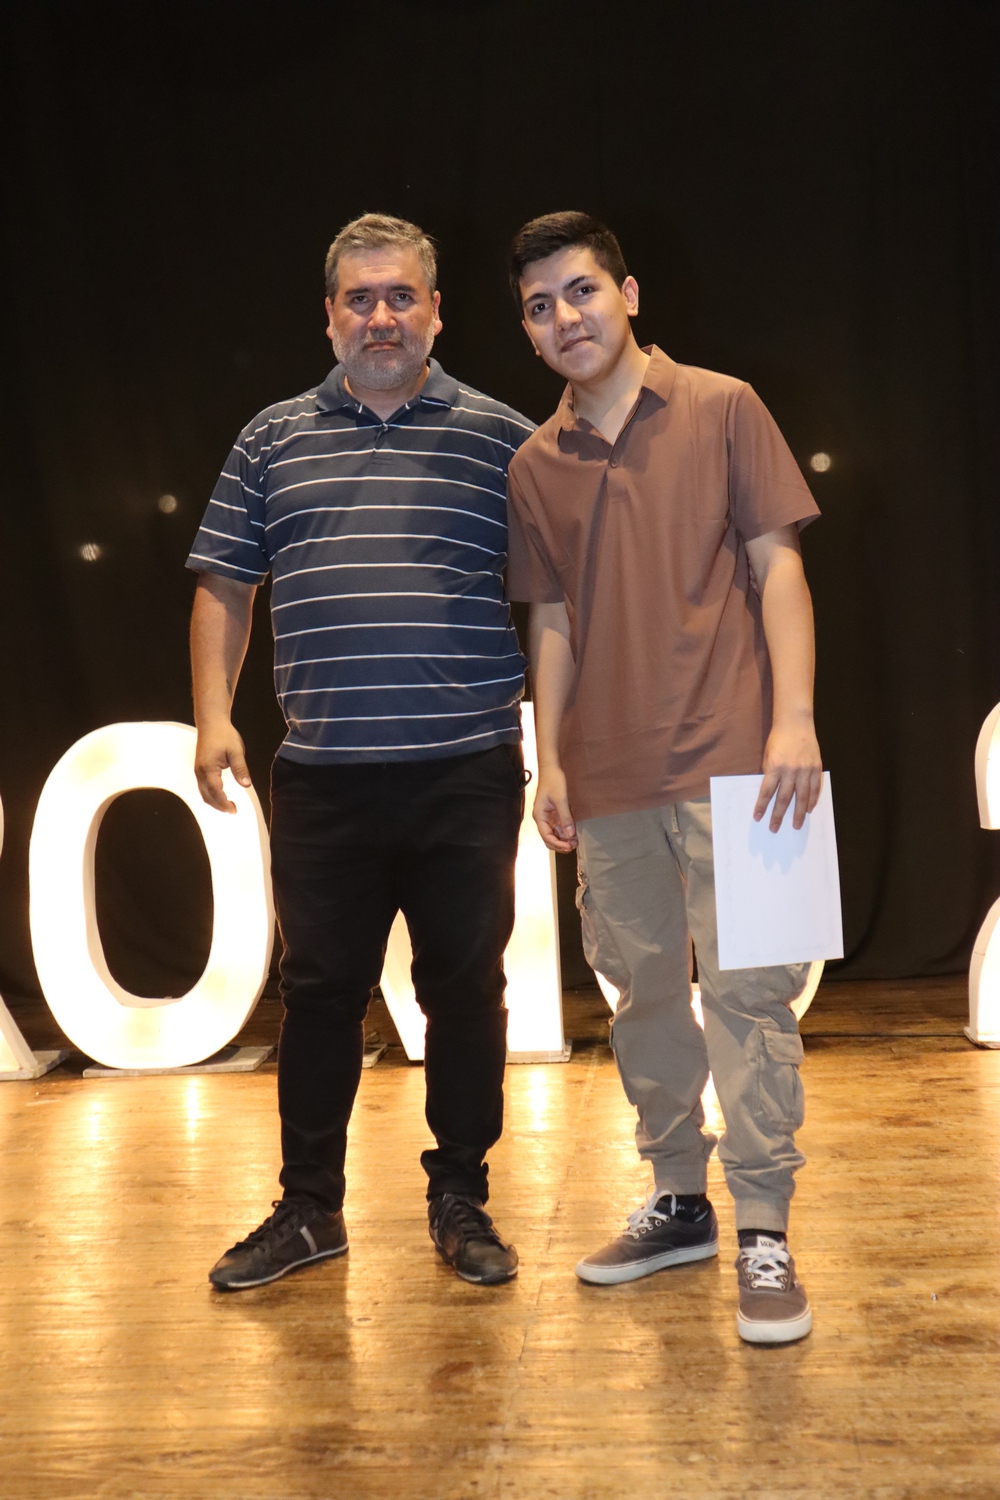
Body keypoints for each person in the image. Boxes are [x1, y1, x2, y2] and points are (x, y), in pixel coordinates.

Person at [188, 214, 533, 1291]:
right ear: (329, 315)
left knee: (464, 991)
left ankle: (461, 1195)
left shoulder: (503, 438)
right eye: (360, 298)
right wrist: (212, 716)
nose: (380, 317)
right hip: (324, 779)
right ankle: (309, 1209)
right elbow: (224, 585)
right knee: (320, 994)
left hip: (465, 769)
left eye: (400, 296)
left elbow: (564, 601)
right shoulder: (270, 439)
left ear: (436, 311)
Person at [505, 211, 821, 1344]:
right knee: (639, 995)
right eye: (538, 306)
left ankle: (765, 1228)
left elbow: (779, 568)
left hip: (745, 763)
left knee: (751, 997)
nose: (564, 318)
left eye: (581, 291)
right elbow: (551, 621)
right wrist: (551, 757)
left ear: (628, 293)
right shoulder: (534, 464)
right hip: (609, 774)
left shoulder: (725, 405)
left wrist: (795, 720)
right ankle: (680, 1201)